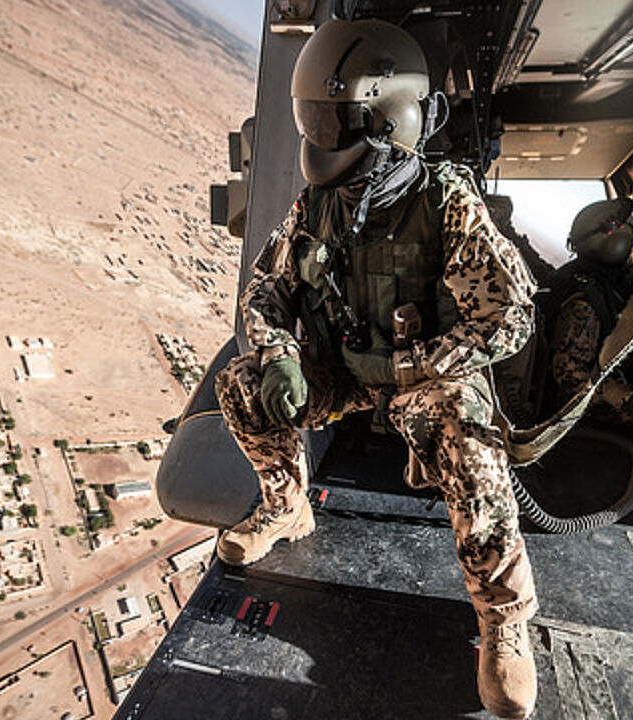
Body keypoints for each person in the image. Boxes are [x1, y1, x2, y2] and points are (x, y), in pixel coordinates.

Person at [213, 19, 539, 719]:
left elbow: (510, 316)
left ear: (390, 119)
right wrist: (277, 356)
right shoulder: (320, 202)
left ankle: (503, 619)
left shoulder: (446, 203)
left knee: (467, 433)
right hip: (347, 371)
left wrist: (418, 366)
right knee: (240, 385)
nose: (323, 135)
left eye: (338, 120)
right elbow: (265, 290)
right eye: (317, 119)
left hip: (423, 377)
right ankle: (286, 504)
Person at [542, 198, 633, 425]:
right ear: (616, 243)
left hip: (594, 381)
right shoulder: (585, 301)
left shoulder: (587, 276)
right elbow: (569, 375)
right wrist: (627, 399)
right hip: (572, 405)